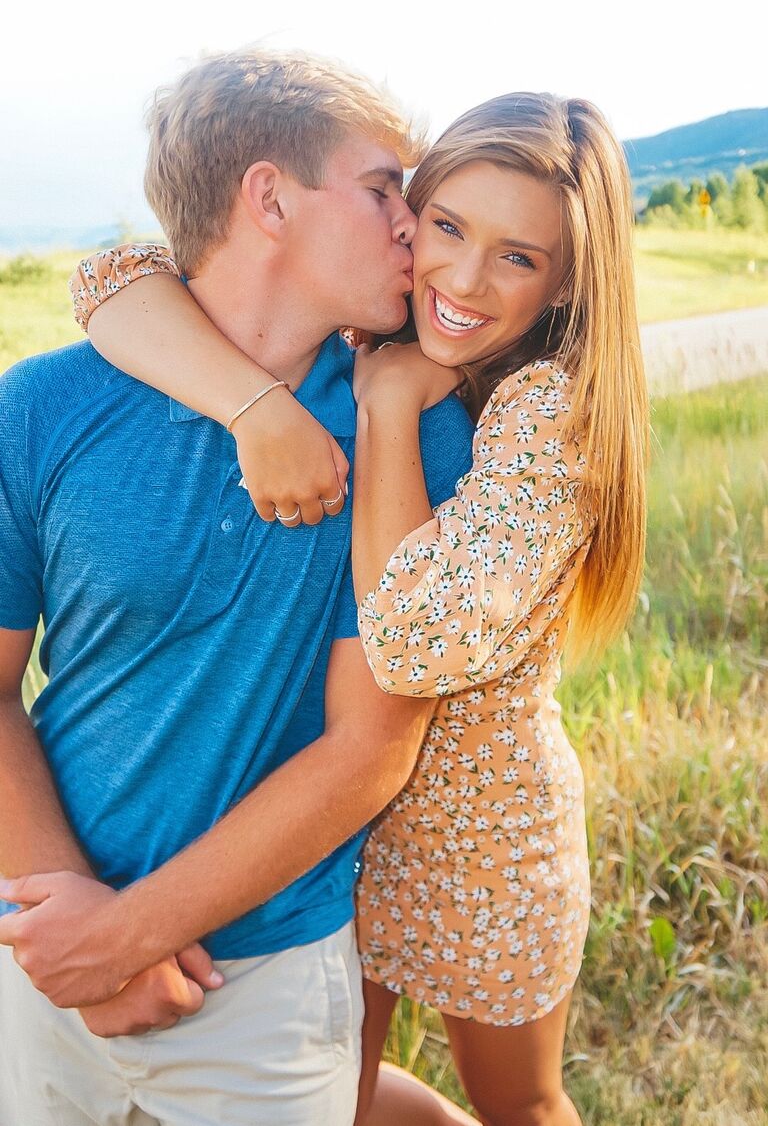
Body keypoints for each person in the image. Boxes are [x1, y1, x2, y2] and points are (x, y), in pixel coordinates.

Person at [2, 91, 648, 1126]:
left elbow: (408, 641)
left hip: (481, 838)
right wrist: (257, 406)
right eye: (439, 223)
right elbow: (110, 280)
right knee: (342, 1097)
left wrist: (387, 410)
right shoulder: (368, 326)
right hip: (344, 848)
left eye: (518, 257)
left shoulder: (534, 416)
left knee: (520, 1106)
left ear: (569, 277)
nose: (460, 275)